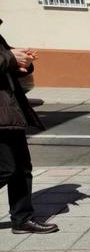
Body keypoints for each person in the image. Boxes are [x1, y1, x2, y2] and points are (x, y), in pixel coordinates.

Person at [0, 19, 58, 234]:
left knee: (22, 168)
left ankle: (22, 219)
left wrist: (22, 61)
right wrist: (10, 57)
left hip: (9, 110)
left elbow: (6, 65)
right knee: (7, 168)